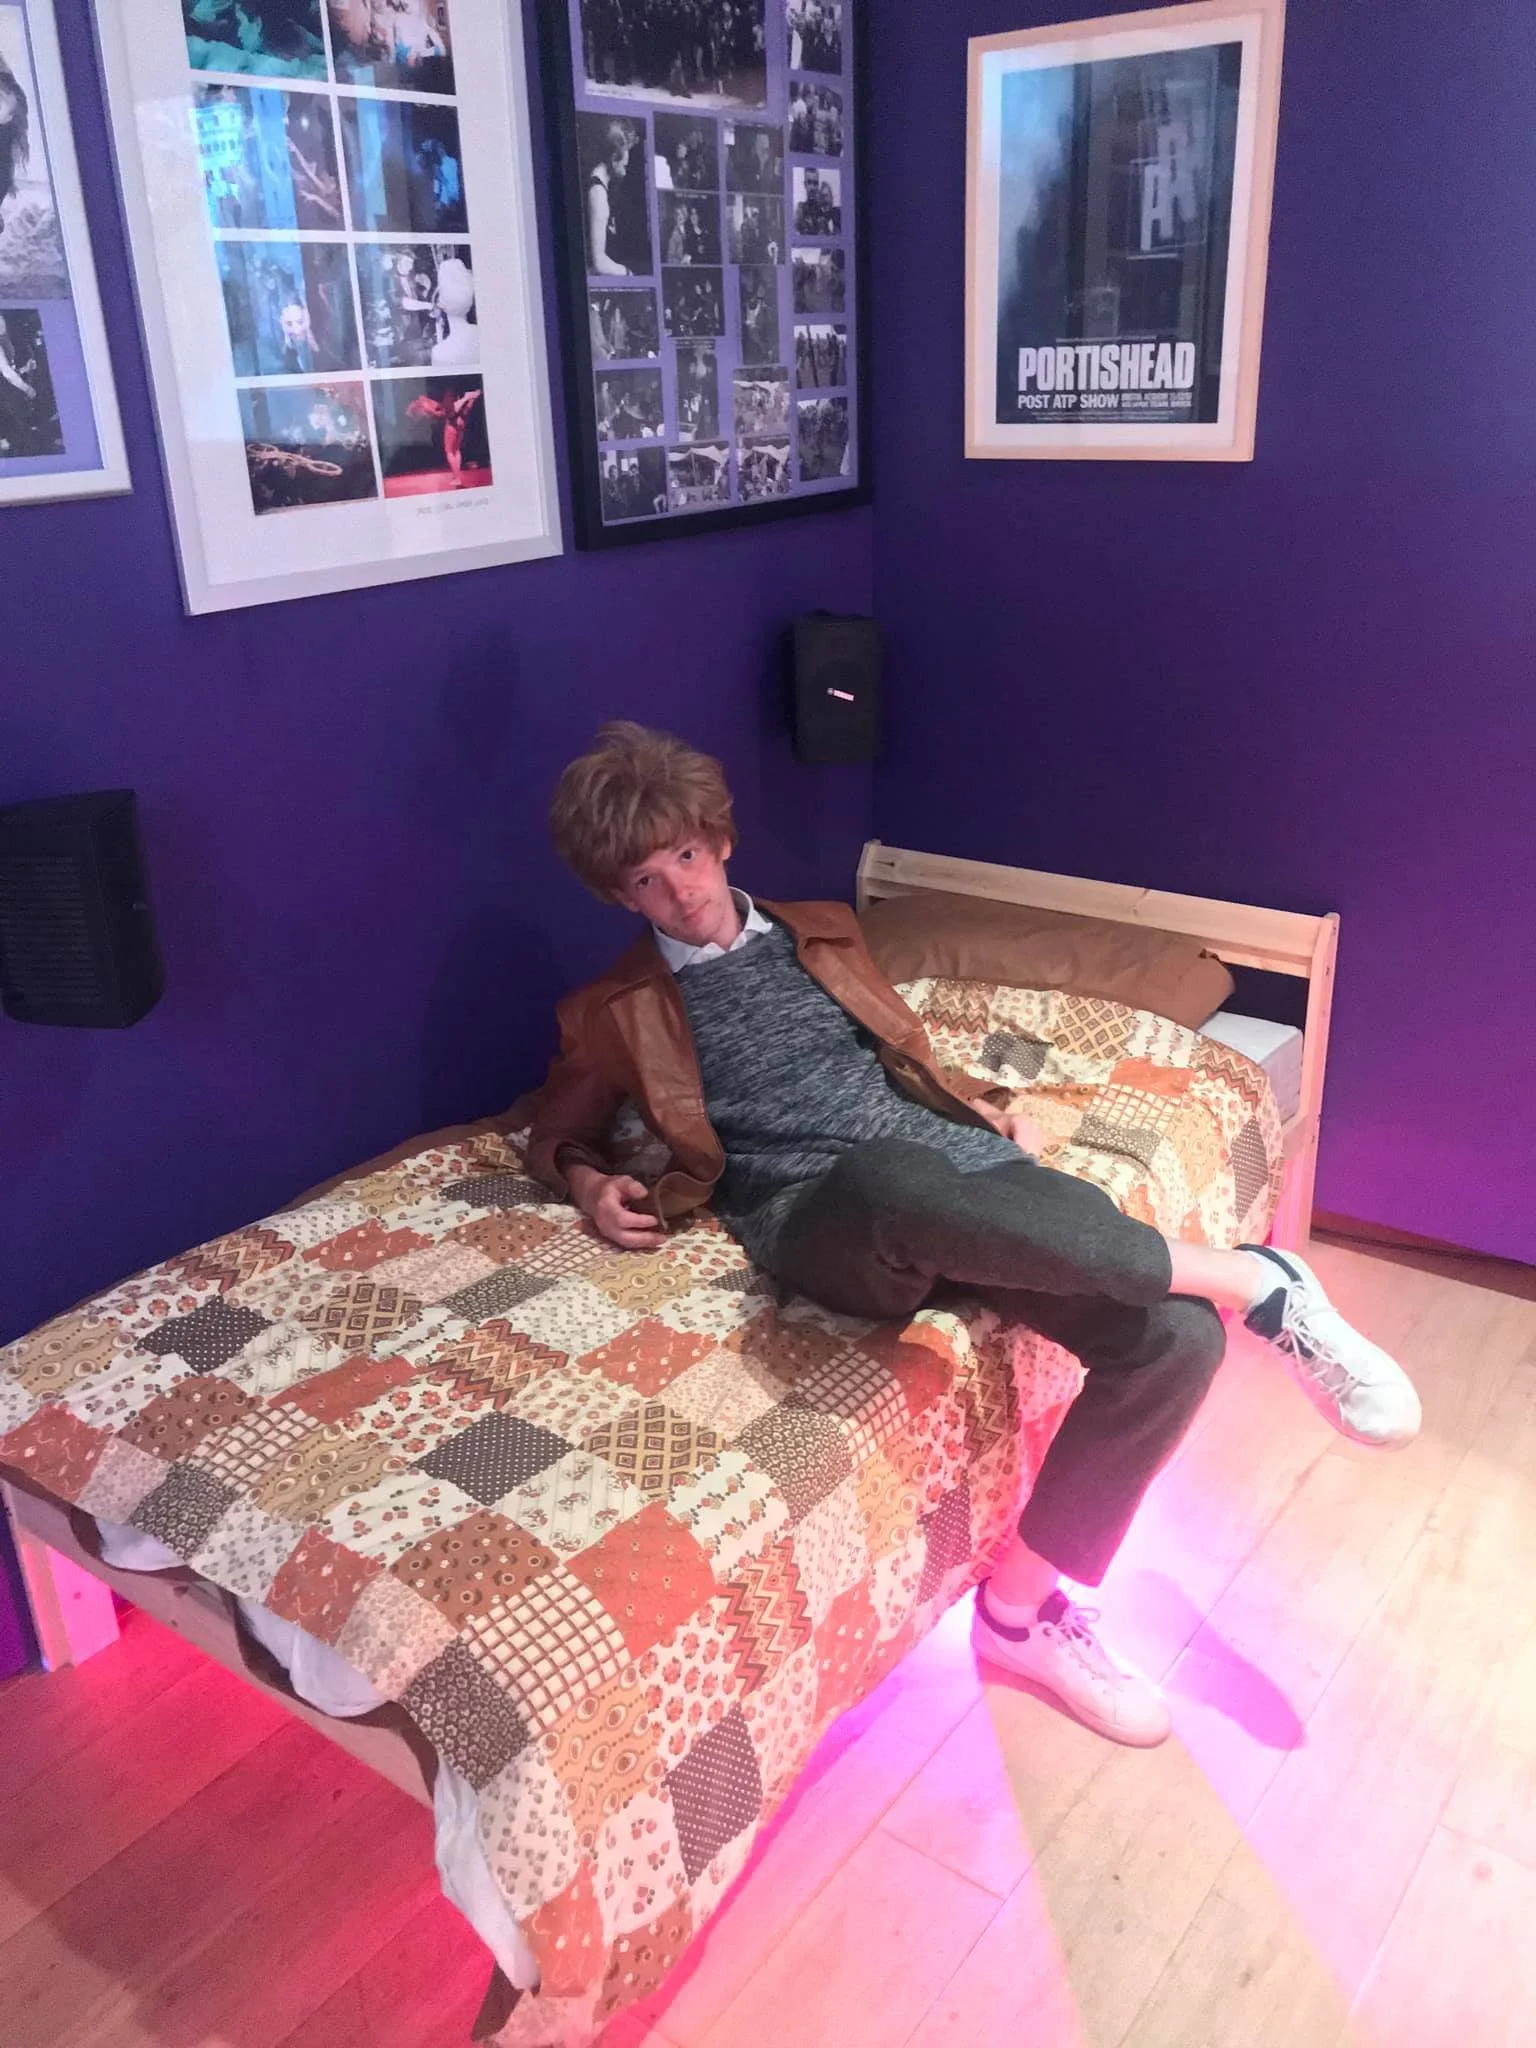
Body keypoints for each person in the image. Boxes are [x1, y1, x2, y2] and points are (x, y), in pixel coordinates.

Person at [530, 724, 1423, 1750]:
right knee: (889, 1174)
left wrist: (991, 1104)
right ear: (621, 897)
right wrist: (591, 1179)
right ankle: (1261, 1280)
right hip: (829, 1218)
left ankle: (1020, 1613)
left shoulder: (822, 930)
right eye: (646, 879)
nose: (679, 891)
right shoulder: (616, 1007)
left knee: (1178, 1340)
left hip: (948, 1172)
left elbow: (906, 1046)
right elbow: (554, 1128)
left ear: (719, 840)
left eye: (684, 854)